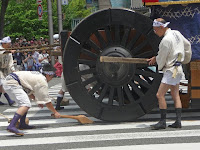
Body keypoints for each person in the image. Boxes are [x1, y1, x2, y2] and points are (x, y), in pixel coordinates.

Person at [147, 18, 192, 130]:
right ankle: (178, 121)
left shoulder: (165, 40)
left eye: (155, 30)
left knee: (160, 95)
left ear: (161, 27)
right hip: (178, 68)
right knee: (175, 94)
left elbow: (162, 57)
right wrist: (185, 59)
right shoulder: (176, 33)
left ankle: (162, 122)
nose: (155, 32)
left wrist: (156, 61)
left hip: (170, 70)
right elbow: (187, 45)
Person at [3, 63, 61, 136]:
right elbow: (47, 102)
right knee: (25, 104)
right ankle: (11, 125)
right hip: (12, 83)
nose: (51, 79)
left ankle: (22, 124)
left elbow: (29, 92)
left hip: (12, 81)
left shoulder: (38, 76)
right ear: (48, 75)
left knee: (26, 102)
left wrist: (38, 101)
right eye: (52, 76)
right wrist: (55, 112)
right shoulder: (42, 81)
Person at [0, 36, 15, 106]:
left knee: (1, 85)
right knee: (2, 84)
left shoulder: (9, 51)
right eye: (8, 43)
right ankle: (9, 100)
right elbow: (2, 53)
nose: (9, 45)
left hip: (4, 70)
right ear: (4, 43)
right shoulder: (1, 49)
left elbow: (10, 63)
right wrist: (8, 51)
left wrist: (13, 70)